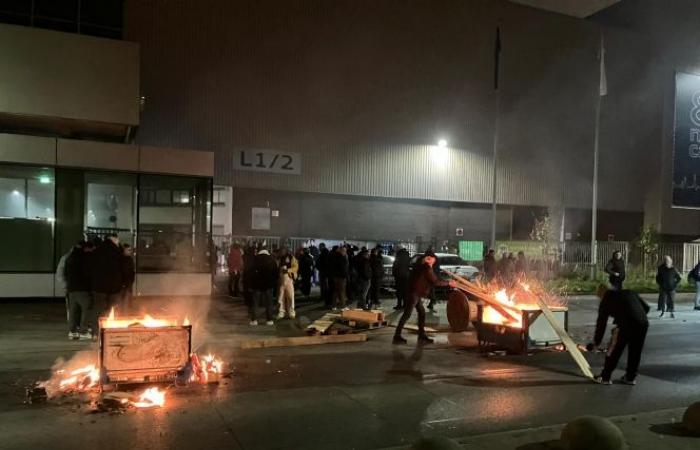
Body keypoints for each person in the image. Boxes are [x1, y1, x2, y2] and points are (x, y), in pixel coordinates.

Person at [590, 285, 649, 385]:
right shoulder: (629, 292)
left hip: (626, 325)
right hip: (643, 324)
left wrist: (597, 342)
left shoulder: (606, 300)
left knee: (614, 350)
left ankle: (605, 377)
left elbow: (601, 323)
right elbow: (646, 308)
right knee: (635, 352)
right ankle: (630, 378)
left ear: (601, 294)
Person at [394, 251, 456, 345]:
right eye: (432, 261)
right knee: (407, 314)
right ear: (428, 258)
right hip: (414, 293)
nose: (432, 264)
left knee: (421, 313)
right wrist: (448, 283)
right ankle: (397, 335)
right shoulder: (426, 267)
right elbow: (435, 281)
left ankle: (421, 335)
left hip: (415, 292)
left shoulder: (419, 264)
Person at [90, 234, 124, 331]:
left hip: (98, 286)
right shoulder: (116, 251)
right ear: (113, 239)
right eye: (117, 239)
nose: (118, 241)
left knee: (98, 308)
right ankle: (110, 328)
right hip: (114, 287)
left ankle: (96, 330)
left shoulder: (97, 251)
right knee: (113, 308)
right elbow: (120, 268)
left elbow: (90, 268)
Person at [64, 241, 94, 340]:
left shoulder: (68, 258)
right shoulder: (84, 258)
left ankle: (72, 332)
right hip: (82, 289)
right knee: (86, 310)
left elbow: (65, 273)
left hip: (71, 289)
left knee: (73, 311)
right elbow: (88, 274)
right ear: (84, 248)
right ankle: (84, 331)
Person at [250, 245, 277, 326]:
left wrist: (251, 283)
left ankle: (254, 320)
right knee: (269, 303)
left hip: (257, 285)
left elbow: (249, 272)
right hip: (268, 285)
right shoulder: (272, 260)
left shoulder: (255, 259)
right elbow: (275, 273)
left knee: (255, 303)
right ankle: (269, 320)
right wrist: (273, 283)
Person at [276, 247, 298, 319]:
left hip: (289, 279)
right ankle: (281, 312)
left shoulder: (292, 257)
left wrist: (288, 270)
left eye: (282, 251)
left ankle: (291, 312)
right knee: (281, 297)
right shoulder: (279, 259)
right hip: (281, 280)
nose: (281, 252)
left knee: (290, 296)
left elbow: (296, 267)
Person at [331, 246, 349, 311]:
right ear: (341, 251)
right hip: (341, 277)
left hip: (336, 276)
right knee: (342, 291)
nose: (345, 252)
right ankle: (343, 306)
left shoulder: (335, 256)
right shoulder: (341, 257)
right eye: (344, 251)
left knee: (336, 291)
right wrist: (346, 276)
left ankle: (334, 305)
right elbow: (344, 268)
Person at [120, 244, 135, 312]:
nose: (130, 251)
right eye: (128, 250)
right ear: (124, 250)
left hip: (128, 283)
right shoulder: (122, 259)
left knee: (128, 300)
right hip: (124, 284)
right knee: (124, 300)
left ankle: (126, 312)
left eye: (130, 250)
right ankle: (123, 313)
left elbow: (131, 271)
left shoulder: (129, 259)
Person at [317, 243, 332, 308]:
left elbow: (324, 263)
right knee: (323, 285)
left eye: (320, 247)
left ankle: (325, 298)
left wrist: (320, 268)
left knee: (325, 286)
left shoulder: (324, 253)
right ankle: (323, 297)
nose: (319, 248)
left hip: (324, 272)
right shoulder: (325, 253)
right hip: (324, 272)